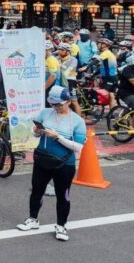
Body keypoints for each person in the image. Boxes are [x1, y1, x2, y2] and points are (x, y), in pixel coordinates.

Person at [16, 86, 87, 242]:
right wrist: (37, 131)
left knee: (63, 195)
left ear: (68, 101)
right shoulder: (45, 112)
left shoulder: (77, 121)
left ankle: (61, 225)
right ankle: (32, 219)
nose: (55, 107)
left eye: (59, 104)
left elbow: (79, 147)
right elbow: (35, 133)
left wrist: (57, 137)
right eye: (53, 104)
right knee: (37, 190)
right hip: (42, 158)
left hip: (64, 163)